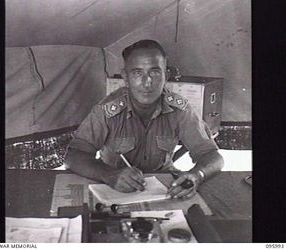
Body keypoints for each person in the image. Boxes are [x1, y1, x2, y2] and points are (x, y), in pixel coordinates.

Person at [64, 40, 224, 200]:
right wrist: (109, 174)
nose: (147, 82)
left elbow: (212, 156)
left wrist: (197, 175)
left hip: (165, 187)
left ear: (166, 76)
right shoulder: (106, 110)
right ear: (126, 78)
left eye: (154, 72)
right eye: (137, 73)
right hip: (114, 187)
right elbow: (74, 156)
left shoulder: (180, 109)